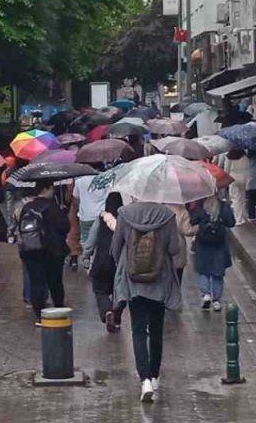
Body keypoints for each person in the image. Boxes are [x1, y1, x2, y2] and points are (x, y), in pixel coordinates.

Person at [112, 201, 183, 404]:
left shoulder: (125, 214)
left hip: (134, 281)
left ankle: (144, 380)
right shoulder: (167, 215)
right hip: (159, 280)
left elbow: (116, 248)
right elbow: (173, 249)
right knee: (156, 330)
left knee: (138, 331)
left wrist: (126, 265)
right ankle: (154, 375)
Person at [18, 181, 71, 321]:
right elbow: (65, 227)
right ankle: (59, 309)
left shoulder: (27, 207)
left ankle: (39, 314)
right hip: (53, 251)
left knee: (37, 283)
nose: (53, 191)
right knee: (55, 282)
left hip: (31, 251)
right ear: (46, 188)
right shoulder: (53, 207)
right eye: (51, 188)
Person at [85, 192, 126, 332]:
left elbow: (91, 241)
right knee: (120, 291)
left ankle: (107, 311)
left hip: (102, 261)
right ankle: (117, 316)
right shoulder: (126, 219)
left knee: (100, 290)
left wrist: (86, 255)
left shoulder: (102, 219)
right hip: (120, 262)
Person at [191, 197, 235, 311]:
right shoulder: (223, 206)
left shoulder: (200, 205)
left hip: (203, 243)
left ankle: (205, 294)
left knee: (203, 270)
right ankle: (216, 300)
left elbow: (193, 220)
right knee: (217, 272)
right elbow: (231, 222)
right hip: (219, 244)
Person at [71, 165, 110, 270]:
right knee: (100, 238)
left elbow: (75, 198)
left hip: (85, 215)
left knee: (85, 238)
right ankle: (98, 260)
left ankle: (87, 259)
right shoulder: (106, 178)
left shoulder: (79, 181)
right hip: (102, 214)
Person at [217, 149, 252, 225]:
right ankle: (242, 217)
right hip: (244, 178)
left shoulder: (229, 156)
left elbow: (226, 169)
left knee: (235, 199)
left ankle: (238, 219)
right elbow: (248, 167)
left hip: (233, 178)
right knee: (242, 198)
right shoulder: (245, 156)